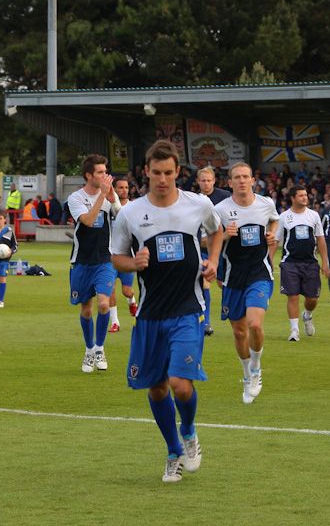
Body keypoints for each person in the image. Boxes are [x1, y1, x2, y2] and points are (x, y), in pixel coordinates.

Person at [112, 140, 222, 483]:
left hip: (188, 309)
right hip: (150, 313)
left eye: (169, 173)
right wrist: (133, 263)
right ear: (147, 172)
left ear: (178, 172)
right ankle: (173, 451)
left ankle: (188, 431)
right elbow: (116, 256)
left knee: (180, 384)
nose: (162, 179)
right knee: (157, 388)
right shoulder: (130, 213)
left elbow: (217, 231)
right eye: (157, 173)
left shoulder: (198, 204)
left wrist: (213, 260)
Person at [214, 162, 279, 404]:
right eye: (237, 177)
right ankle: (246, 374)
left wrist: (272, 234)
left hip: (259, 274)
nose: (242, 181)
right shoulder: (220, 210)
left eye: (245, 177)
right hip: (233, 278)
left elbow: (275, 220)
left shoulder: (266, 203)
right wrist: (223, 235)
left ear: (253, 180)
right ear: (230, 182)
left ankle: (256, 368)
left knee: (255, 324)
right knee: (239, 332)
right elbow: (205, 240)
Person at [68, 154, 120, 373]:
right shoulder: (75, 198)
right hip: (81, 261)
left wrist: (114, 199)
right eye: (100, 172)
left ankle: (100, 348)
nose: (105, 175)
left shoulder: (109, 194)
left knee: (104, 304)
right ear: (89, 175)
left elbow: (122, 216)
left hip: (104, 260)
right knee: (87, 309)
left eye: (105, 171)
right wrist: (103, 197)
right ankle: (89, 349)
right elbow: (88, 221)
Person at [276, 186, 330, 341]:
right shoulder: (284, 217)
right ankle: (294, 331)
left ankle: (307, 315)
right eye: (300, 195)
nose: (305, 197)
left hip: (310, 263)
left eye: (305, 195)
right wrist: (268, 260)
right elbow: (276, 240)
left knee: (312, 299)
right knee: (292, 297)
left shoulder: (314, 215)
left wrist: (325, 263)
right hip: (289, 263)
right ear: (293, 198)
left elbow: (320, 239)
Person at [196, 166, 231, 336]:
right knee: (205, 282)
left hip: (223, 250)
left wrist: (225, 235)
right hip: (202, 248)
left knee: (222, 283)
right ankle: (206, 322)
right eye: (203, 180)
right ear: (198, 181)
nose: (206, 183)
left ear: (214, 181)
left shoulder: (225, 197)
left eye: (209, 180)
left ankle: (229, 310)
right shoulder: (194, 200)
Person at [108, 177, 137, 333]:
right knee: (110, 290)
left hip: (127, 256)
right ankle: (115, 322)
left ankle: (132, 301)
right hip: (110, 256)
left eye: (126, 187)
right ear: (114, 189)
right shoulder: (107, 207)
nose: (124, 190)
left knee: (127, 291)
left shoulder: (134, 207)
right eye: (120, 187)